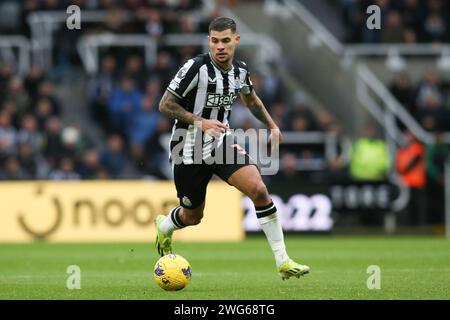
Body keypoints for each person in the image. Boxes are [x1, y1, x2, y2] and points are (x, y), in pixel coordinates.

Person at [154, 17, 309, 280]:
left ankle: (283, 260)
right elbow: (165, 104)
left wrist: (272, 125)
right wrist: (200, 121)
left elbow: (251, 100)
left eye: (225, 40)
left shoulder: (240, 71)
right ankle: (166, 224)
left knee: (259, 190)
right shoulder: (195, 68)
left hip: (221, 144)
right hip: (188, 148)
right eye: (215, 41)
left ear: (236, 40)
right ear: (209, 42)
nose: (220, 46)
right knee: (193, 216)